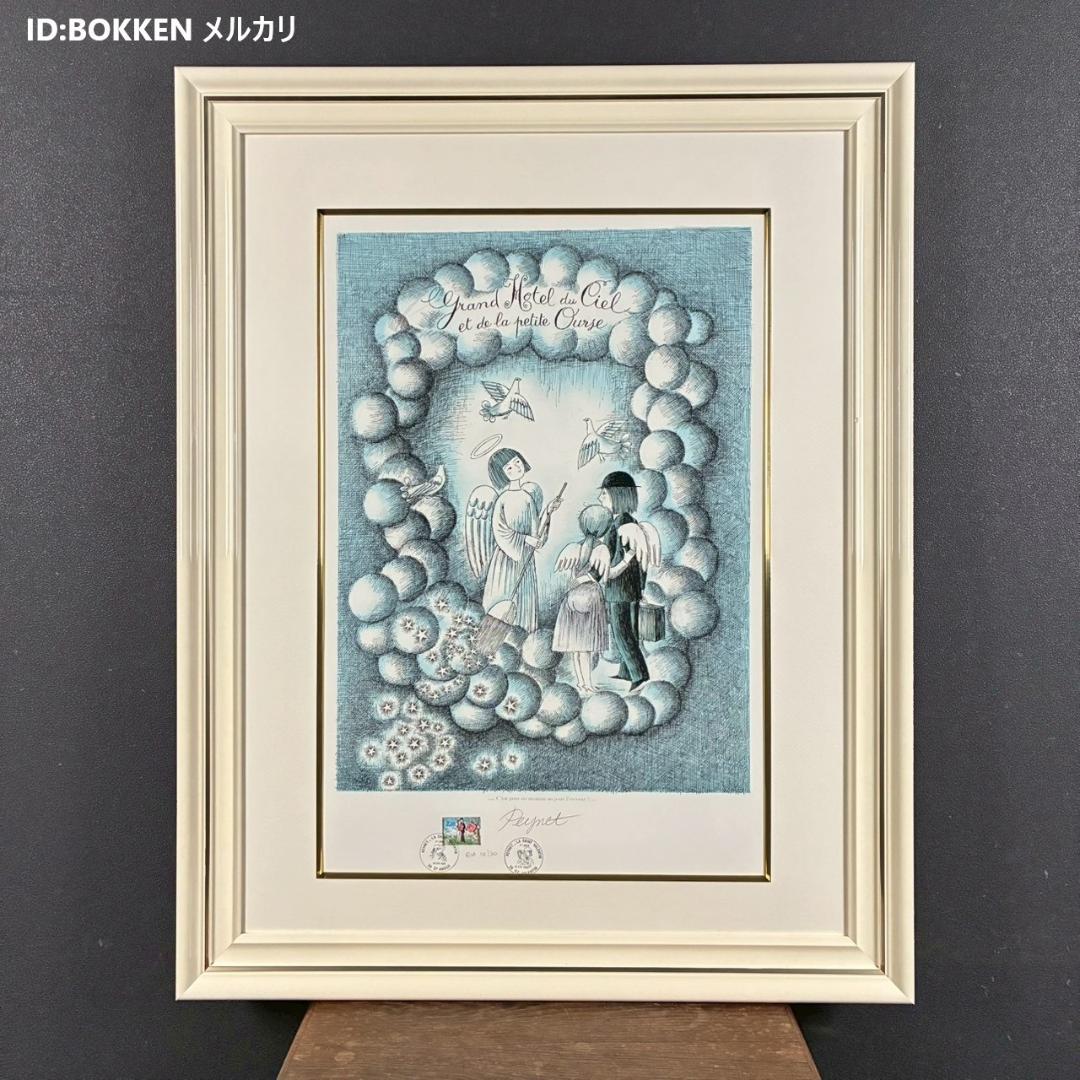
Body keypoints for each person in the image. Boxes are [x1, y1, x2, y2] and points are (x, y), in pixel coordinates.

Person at [464, 447, 562, 632]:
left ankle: (522, 634)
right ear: (501, 474)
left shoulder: (528, 497)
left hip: (525, 559)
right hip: (506, 560)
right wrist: (524, 540)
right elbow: (500, 531)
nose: (516, 468)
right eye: (509, 467)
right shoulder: (502, 499)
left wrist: (548, 512)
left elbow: (536, 535)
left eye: (517, 462)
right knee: (504, 597)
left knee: (523, 601)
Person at [552, 505, 613, 693]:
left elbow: (571, 575)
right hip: (590, 596)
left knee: (577, 647)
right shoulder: (601, 549)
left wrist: (575, 583)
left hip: (573, 597)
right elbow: (598, 576)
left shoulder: (575, 547)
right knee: (586, 648)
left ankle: (581, 682)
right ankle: (588, 684)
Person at [597, 471, 650, 691]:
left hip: (620, 588)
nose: (600, 498)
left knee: (622, 632)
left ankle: (639, 675)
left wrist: (604, 574)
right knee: (628, 630)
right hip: (628, 588)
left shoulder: (622, 524)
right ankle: (627, 671)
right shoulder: (625, 521)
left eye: (604, 494)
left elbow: (624, 559)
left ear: (617, 495)